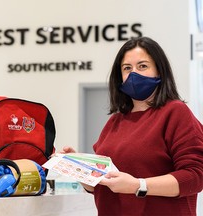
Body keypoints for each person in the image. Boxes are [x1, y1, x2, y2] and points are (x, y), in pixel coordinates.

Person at [61, 37, 203, 216]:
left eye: (142, 66)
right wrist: (79, 169)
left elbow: (195, 177)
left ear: (159, 71)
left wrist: (139, 185)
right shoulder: (115, 121)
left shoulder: (175, 112)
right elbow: (103, 184)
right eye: (127, 68)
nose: (134, 74)